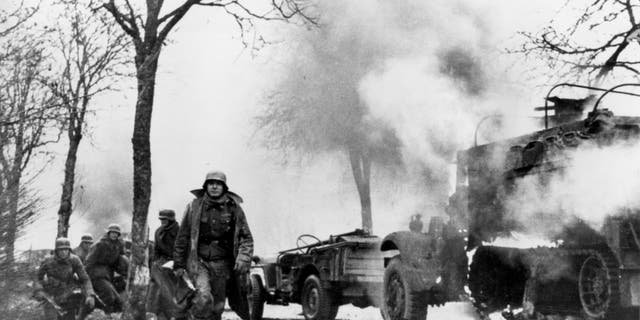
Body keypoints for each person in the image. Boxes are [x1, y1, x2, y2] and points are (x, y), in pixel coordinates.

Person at [173, 170, 254, 320]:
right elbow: (182, 236)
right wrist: (178, 264)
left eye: (218, 184)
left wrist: (243, 258)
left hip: (223, 263)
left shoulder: (234, 208)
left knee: (218, 306)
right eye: (211, 183)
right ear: (205, 186)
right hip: (199, 261)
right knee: (203, 297)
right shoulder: (194, 207)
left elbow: (246, 237)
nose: (214, 187)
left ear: (224, 187)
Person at [35, 237, 95, 320]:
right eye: (61, 250)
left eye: (66, 249)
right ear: (56, 250)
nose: (63, 252)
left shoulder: (74, 260)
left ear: (69, 250)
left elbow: (85, 279)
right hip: (51, 295)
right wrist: (39, 290)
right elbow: (38, 277)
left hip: (68, 295)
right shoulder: (48, 260)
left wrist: (90, 294)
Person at [84, 223, 128, 314]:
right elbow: (89, 261)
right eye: (112, 232)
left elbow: (121, 258)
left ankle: (112, 315)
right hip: (96, 274)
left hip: (108, 274)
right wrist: (84, 276)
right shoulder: (100, 244)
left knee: (119, 300)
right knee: (110, 297)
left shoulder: (118, 245)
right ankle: (107, 315)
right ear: (108, 233)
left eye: (116, 233)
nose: (114, 234)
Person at [147, 209, 183, 320]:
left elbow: (182, 249)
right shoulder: (158, 231)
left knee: (167, 290)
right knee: (155, 288)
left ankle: (173, 313)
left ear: (171, 220)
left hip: (176, 262)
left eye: (165, 219)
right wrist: (155, 262)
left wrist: (178, 264)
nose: (162, 221)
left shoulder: (180, 231)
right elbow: (156, 250)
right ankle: (152, 313)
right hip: (161, 263)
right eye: (161, 219)